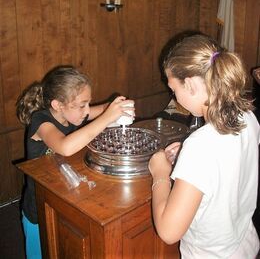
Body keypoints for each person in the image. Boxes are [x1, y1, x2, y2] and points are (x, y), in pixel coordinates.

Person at [148, 34, 260, 258]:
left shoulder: (200, 147)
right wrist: (189, 164)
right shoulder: (248, 117)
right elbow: (226, 163)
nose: (175, 97)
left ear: (189, 84)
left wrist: (160, 173)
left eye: (174, 89)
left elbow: (169, 232)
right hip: (245, 244)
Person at [16, 65, 135, 259]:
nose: (86, 111)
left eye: (87, 103)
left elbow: (102, 109)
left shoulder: (71, 114)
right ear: (57, 105)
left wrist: (118, 106)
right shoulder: (41, 121)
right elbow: (65, 147)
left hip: (61, 195)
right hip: (37, 206)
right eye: (82, 105)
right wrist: (107, 118)